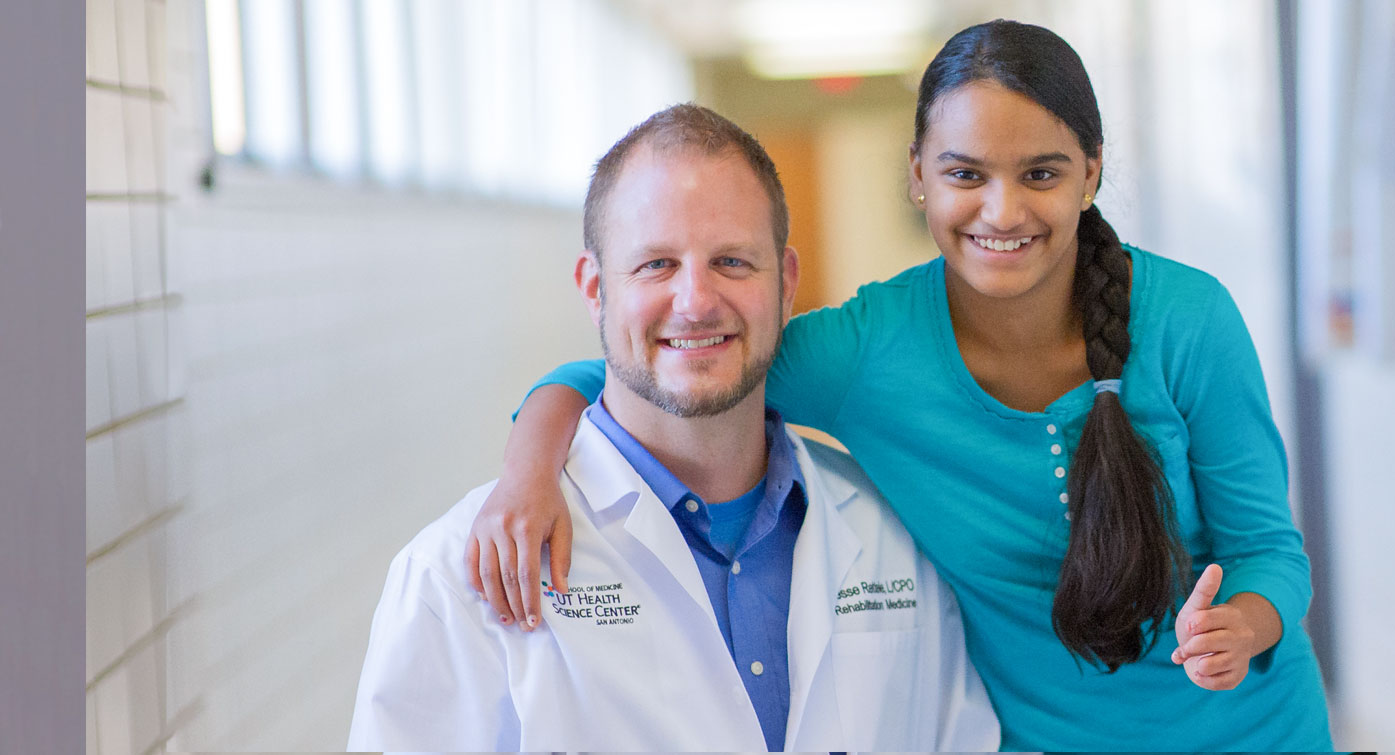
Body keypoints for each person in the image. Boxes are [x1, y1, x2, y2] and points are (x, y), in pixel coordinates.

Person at [468, 20, 1334, 752]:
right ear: (917, 173)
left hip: (1258, 730)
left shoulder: (1188, 318)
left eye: (1040, 173)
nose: (1002, 212)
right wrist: (527, 472)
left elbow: (1270, 550)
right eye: (966, 174)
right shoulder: (867, 352)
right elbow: (655, 363)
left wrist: (1245, 623)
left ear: (1091, 174)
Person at [347, 104, 998, 752]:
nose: (695, 302)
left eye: (733, 262)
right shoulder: (452, 576)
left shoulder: (891, 534)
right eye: (656, 264)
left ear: (786, 282)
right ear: (595, 288)